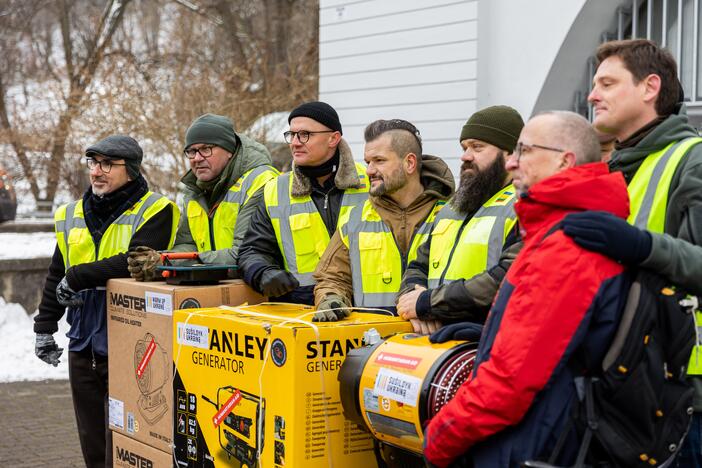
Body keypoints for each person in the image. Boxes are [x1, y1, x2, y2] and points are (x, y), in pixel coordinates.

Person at [423, 111, 631, 467]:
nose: (513, 162)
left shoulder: (564, 246)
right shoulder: (562, 228)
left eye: (524, 151)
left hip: (537, 445)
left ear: (564, 160)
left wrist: (439, 439)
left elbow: (509, 384)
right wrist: (489, 333)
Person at [561, 38, 702, 467]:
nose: (592, 95)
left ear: (650, 87)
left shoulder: (692, 161)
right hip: (617, 386)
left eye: (607, 82)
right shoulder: (609, 171)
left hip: (683, 395)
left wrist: (638, 246)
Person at [34, 136, 178, 468]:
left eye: (107, 164)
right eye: (93, 163)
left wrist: (80, 276)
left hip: (132, 338)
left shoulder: (156, 209)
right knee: (92, 440)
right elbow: (59, 272)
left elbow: (134, 260)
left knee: (130, 439)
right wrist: (44, 326)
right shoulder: (71, 214)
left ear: (131, 169)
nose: (97, 172)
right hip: (83, 338)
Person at [312, 119, 454, 325]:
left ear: (410, 163)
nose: (369, 170)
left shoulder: (452, 215)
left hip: (436, 346)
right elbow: (331, 278)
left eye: (379, 161)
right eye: (367, 161)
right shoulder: (354, 219)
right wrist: (331, 299)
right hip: (372, 345)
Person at [396, 106, 524, 326]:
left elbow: (506, 278)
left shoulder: (523, 207)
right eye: (464, 147)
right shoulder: (452, 207)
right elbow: (417, 266)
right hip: (439, 339)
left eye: (477, 147)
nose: (466, 156)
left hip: (486, 340)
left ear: (510, 153)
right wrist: (413, 301)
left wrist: (428, 303)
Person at [237, 101, 368, 304]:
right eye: (292, 134)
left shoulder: (370, 183)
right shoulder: (275, 190)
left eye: (305, 134)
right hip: (302, 314)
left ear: (333, 138)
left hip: (369, 314)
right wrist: (263, 273)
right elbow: (253, 250)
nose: (295, 142)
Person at [127, 113, 278, 280]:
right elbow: (188, 244)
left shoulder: (260, 182)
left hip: (256, 289)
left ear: (230, 150)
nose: (197, 158)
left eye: (206, 149)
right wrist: (162, 260)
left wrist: (187, 261)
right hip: (215, 286)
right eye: (191, 151)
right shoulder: (194, 190)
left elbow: (246, 253)